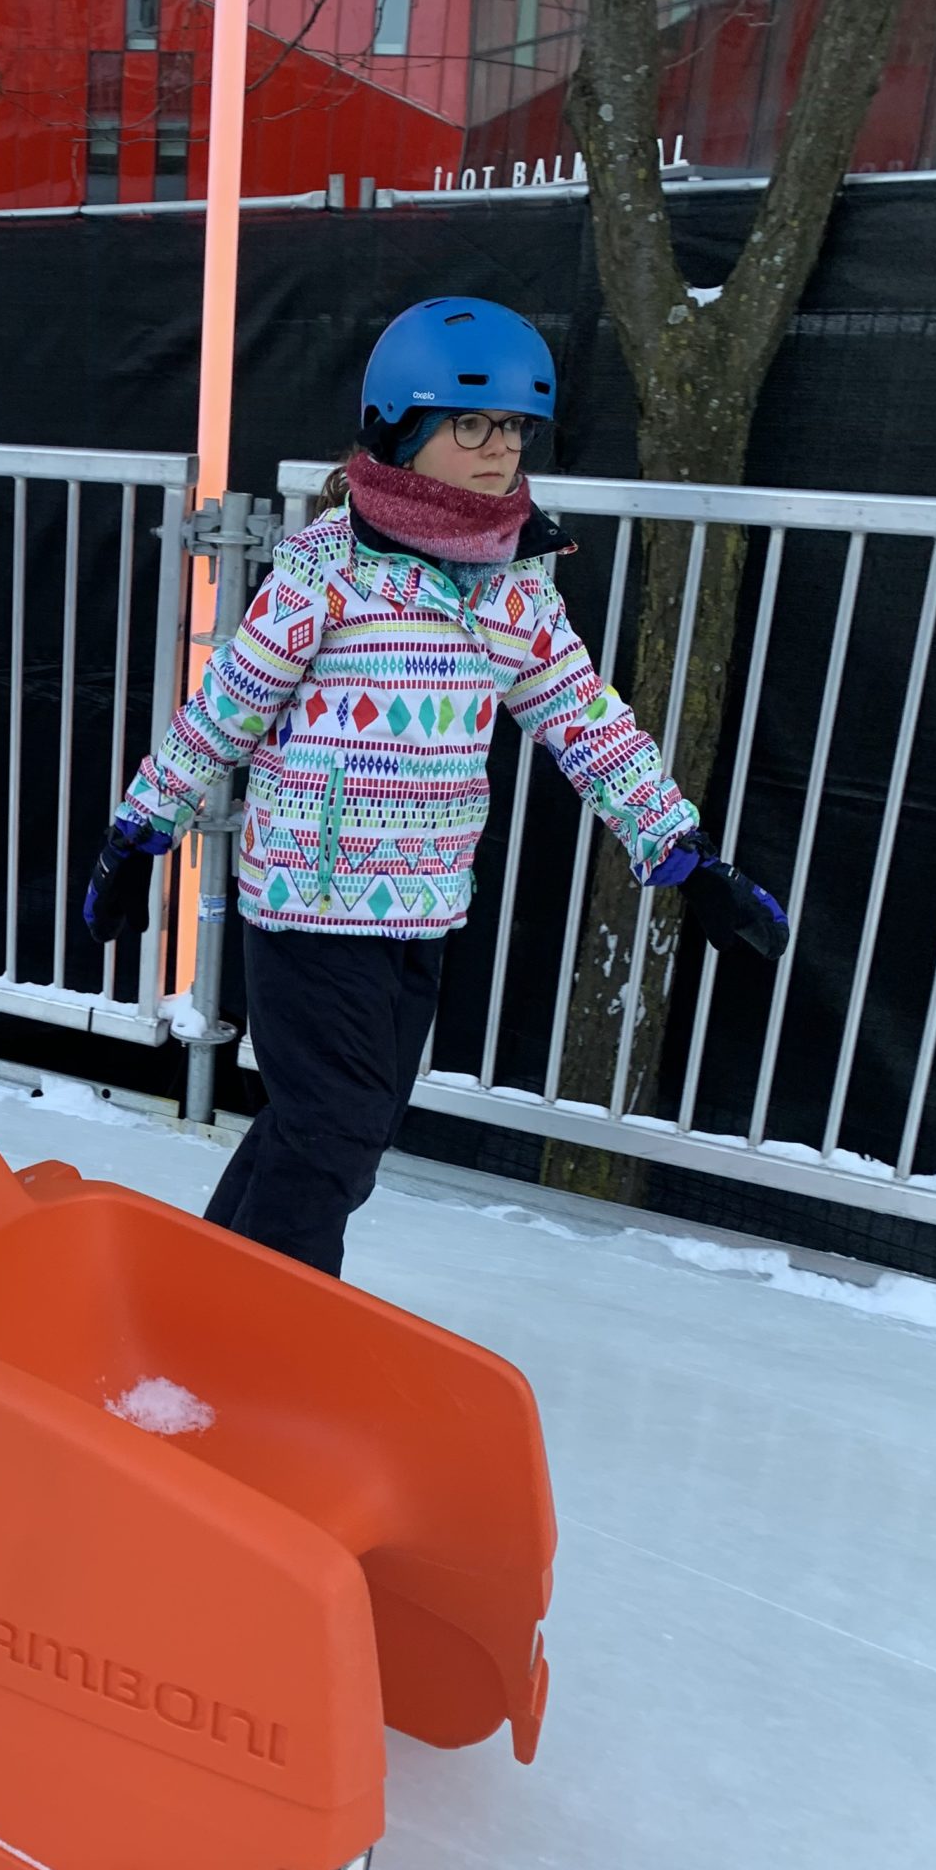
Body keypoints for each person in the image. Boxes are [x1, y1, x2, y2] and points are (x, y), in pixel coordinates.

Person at [83, 295, 788, 1280]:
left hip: (421, 907)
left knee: (342, 1126)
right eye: (472, 424)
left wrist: (684, 853)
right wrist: (139, 829)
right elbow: (227, 707)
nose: (502, 449)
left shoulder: (514, 582)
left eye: (515, 427)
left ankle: (205, 1290)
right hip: (308, 904)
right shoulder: (328, 569)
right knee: (333, 1131)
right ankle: (267, 1332)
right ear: (403, 430)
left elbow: (585, 720)